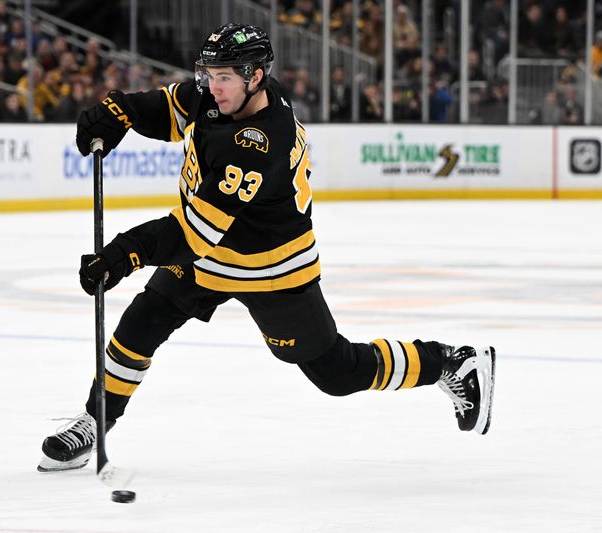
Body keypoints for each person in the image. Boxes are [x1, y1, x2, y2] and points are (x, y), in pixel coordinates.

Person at [38, 23, 496, 472]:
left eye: (223, 78)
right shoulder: (224, 91)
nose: (211, 87)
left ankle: (448, 362)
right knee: (140, 324)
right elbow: (169, 108)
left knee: (337, 373)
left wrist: (126, 252)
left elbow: (194, 232)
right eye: (208, 75)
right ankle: (96, 421)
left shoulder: (260, 141)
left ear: (255, 77)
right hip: (208, 258)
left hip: (270, 267)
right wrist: (119, 111)